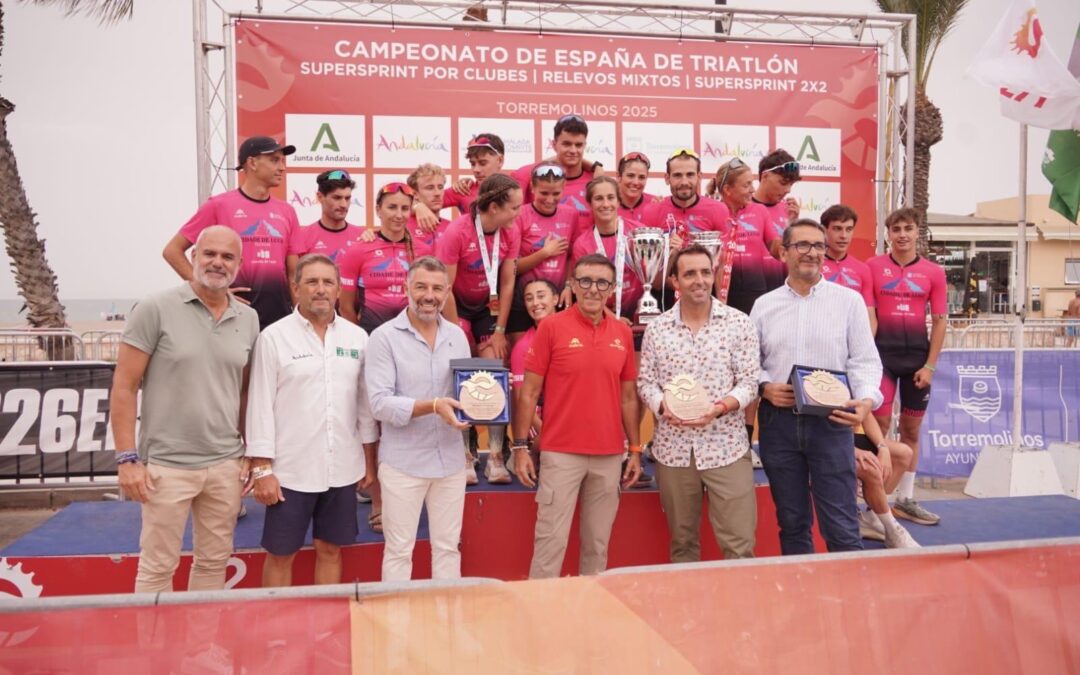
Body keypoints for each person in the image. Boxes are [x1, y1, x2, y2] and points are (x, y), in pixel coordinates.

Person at [111, 226, 260, 592]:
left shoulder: (248, 319)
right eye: (209, 253)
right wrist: (127, 459)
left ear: (239, 265)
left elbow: (244, 391)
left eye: (227, 257)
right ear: (194, 257)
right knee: (157, 567)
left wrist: (250, 452)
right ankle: (151, 634)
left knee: (214, 563)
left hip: (225, 465)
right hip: (166, 465)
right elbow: (124, 386)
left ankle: (200, 634)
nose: (217, 262)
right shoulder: (155, 308)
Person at [245, 254, 380, 586]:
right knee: (281, 554)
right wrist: (262, 470)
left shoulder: (358, 338)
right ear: (296, 288)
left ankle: (325, 617)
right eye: (312, 282)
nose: (320, 289)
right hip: (290, 471)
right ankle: (275, 620)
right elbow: (259, 405)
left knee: (331, 550)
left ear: (338, 290)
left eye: (328, 282)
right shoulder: (273, 337)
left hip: (342, 468)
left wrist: (369, 462)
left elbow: (364, 407)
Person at [750, 219, 883, 554]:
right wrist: (764, 386)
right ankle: (802, 586)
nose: (812, 253)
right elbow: (750, 363)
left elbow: (865, 361)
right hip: (778, 424)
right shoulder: (764, 305)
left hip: (832, 422)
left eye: (819, 246)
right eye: (803, 245)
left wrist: (866, 401)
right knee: (792, 523)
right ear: (784, 252)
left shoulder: (849, 302)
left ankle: (849, 587)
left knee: (841, 525)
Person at [512, 253, 643, 578]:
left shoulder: (622, 333)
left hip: (609, 455)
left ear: (613, 288)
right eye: (585, 281)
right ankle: (541, 610)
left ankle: (589, 609)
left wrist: (635, 449)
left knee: (597, 547)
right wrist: (520, 448)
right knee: (550, 545)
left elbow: (629, 397)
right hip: (560, 454)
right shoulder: (551, 327)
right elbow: (528, 393)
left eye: (602, 283)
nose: (593, 289)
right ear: (572, 284)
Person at [638, 244, 760, 562]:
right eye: (689, 273)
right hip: (674, 451)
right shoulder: (657, 329)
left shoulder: (739, 323)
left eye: (705, 272)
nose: (699, 280)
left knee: (740, 546)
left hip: (726, 447)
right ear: (675, 281)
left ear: (714, 275)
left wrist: (721, 408)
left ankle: (738, 597)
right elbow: (646, 383)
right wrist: (662, 406)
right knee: (682, 545)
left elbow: (749, 382)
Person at [364, 256, 472, 581]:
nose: (429, 295)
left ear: (447, 292)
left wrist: (486, 403)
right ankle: (397, 617)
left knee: (449, 549)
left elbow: (466, 391)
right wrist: (433, 405)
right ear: (406, 288)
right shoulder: (383, 337)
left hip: (450, 462)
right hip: (403, 465)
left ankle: (446, 615)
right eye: (421, 287)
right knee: (399, 551)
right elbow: (379, 404)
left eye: (437, 289)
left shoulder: (457, 336)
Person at [436, 173, 523, 484]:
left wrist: (500, 329)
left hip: (489, 307)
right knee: (462, 372)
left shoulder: (510, 231)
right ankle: (465, 455)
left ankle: (495, 455)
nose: (518, 214)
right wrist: (454, 334)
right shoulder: (457, 231)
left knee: (493, 368)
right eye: (514, 208)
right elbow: (444, 286)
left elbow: (508, 281)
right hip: (455, 307)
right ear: (495, 207)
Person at [163, 135, 300, 330]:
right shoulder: (219, 205)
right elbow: (172, 251)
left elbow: (293, 272)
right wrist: (205, 289)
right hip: (232, 316)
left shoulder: (287, 211)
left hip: (279, 319)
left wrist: (300, 317)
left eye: (282, 161)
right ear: (252, 163)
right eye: (274, 160)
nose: (282, 167)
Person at [868, 208, 947, 527]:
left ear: (917, 232)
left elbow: (940, 321)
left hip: (917, 361)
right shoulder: (873, 267)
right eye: (896, 229)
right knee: (880, 426)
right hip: (882, 360)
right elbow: (866, 313)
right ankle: (876, 500)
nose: (902, 234)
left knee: (912, 430)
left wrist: (930, 366)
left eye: (908, 228)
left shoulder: (933, 272)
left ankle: (905, 498)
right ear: (888, 234)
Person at [338, 182, 429, 335]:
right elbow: (345, 307)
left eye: (405, 208)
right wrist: (360, 338)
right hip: (370, 335)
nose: (399, 215)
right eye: (392, 207)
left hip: (413, 336)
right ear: (378, 210)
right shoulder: (358, 250)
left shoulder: (423, 251)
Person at [509, 163, 577, 341]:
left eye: (556, 193)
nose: (550, 199)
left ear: (564, 188)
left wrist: (568, 285)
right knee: (522, 352)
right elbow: (511, 268)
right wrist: (544, 253)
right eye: (544, 193)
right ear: (532, 187)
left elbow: (571, 257)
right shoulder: (519, 215)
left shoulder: (571, 215)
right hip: (524, 300)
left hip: (557, 299)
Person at [706, 157, 775, 316]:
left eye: (752, 183)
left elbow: (776, 248)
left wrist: (792, 229)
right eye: (746, 185)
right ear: (728, 189)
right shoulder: (711, 212)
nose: (752, 190)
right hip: (721, 293)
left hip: (756, 291)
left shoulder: (760, 210)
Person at [570, 176, 645, 323]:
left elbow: (652, 278)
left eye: (611, 198)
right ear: (590, 204)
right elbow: (584, 291)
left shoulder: (638, 232)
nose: (605, 204)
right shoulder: (582, 244)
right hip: (602, 316)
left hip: (640, 310)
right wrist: (613, 319)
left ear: (618, 201)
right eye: (599, 198)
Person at [286, 170, 363, 284]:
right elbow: (295, 283)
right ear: (320, 197)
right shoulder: (302, 237)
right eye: (337, 198)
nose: (344, 204)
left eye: (347, 198)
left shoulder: (362, 237)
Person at [854, 416, 920, 548]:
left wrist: (883, 448)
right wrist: (852, 450)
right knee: (871, 468)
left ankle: (874, 517)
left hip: (851, 436)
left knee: (904, 453)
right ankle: (891, 527)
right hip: (829, 440)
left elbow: (866, 415)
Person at [510, 279, 559, 453]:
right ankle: (530, 455)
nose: (535, 303)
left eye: (541, 296)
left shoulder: (573, 334)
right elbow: (521, 399)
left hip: (566, 411)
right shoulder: (523, 346)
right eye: (529, 298)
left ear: (555, 299)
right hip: (538, 418)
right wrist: (547, 432)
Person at [413, 133, 505, 226]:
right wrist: (418, 206)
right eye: (473, 164)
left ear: (500, 160)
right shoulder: (464, 190)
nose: (476, 170)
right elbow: (409, 199)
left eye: (483, 163)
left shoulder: (512, 189)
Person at [512, 115, 596, 212]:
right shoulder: (529, 176)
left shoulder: (595, 181)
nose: (573, 150)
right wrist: (595, 166)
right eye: (566, 144)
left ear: (585, 145)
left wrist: (596, 168)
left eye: (578, 145)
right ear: (554, 144)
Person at [820, 204, 877, 333]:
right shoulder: (813, 266)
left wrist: (865, 343)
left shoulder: (862, 269)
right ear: (824, 230)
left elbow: (870, 317)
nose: (844, 235)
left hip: (852, 339)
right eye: (837, 229)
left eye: (849, 229)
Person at [753, 149, 802, 291]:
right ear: (765, 176)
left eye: (791, 184)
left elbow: (793, 254)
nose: (788, 190)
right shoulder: (743, 207)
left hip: (782, 289)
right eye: (783, 183)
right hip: (749, 289)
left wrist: (794, 224)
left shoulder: (788, 210)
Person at [407, 163, 453, 250]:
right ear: (415, 194)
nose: (437, 193)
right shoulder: (402, 227)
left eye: (440, 187)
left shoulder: (452, 227)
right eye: (430, 188)